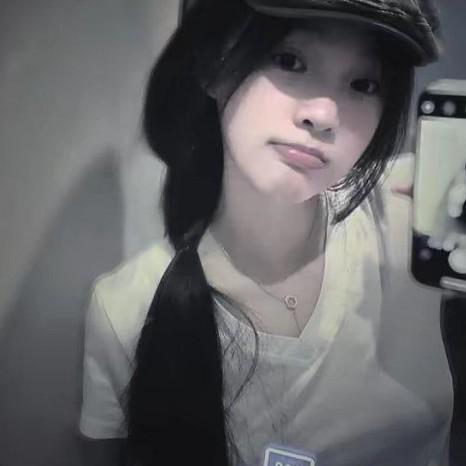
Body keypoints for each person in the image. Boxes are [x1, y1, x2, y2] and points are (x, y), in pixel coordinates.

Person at [79, 1, 453, 465]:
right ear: (213, 66)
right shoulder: (125, 308)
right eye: (289, 60)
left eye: (364, 84)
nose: (324, 114)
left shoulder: (411, 217)